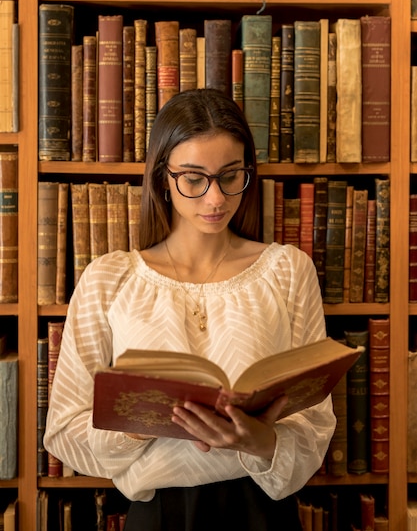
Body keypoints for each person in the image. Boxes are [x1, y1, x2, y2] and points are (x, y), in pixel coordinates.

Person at [44, 88, 336, 530]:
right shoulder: (109, 279)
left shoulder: (287, 271)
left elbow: (316, 424)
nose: (216, 199)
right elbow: (65, 431)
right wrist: (139, 423)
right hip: (159, 514)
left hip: (262, 511)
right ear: (163, 176)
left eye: (231, 176)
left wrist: (262, 440)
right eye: (195, 179)